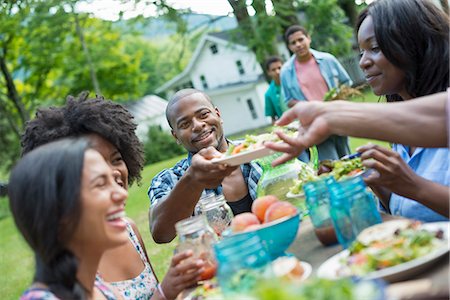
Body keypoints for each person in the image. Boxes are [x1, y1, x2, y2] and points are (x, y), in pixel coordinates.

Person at [268, 0, 450, 222]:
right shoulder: (400, 133)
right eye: (361, 51)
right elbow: (406, 210)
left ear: (415, 43)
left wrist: (414, 186)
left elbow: (416, 192)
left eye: (374, 48)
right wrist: (376, 181)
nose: (363, 62)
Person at [21, 93, 204, 300]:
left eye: (116, 160)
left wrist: (169, 288)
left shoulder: (124, 232)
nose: (116, 183)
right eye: (97, 178)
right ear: (60, 195)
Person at [10, 138, 126, 299]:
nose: (122, 194)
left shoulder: (99, 289)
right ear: (58, 210)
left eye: (113, 180)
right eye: (100, 184)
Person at [148, 88, 262, 243]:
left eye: (203, 115)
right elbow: (160, 233)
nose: (197, 125)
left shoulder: (259, 150)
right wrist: (193, 179)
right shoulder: (169, 179)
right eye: (185, 124)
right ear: (176, 136)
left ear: (218, 114)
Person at [280, 25, 352, 161]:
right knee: (329, 164)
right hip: (313, 124)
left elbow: (346, 82)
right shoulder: (286, 71)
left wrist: (337, 97)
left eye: (301, 40)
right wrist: (309, 107)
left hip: (336, 116)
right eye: (293, 43)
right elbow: (288, 100)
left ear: (308, 38)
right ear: (289, 47)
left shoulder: (328, 60)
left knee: (347, 158)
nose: (298, 45)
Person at [264, 56, 287, 124]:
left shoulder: (295, 82)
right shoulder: (269, 94)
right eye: (273, 70)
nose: (277, 72)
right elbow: (273, 118)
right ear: (269, 72)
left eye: (279, 68)